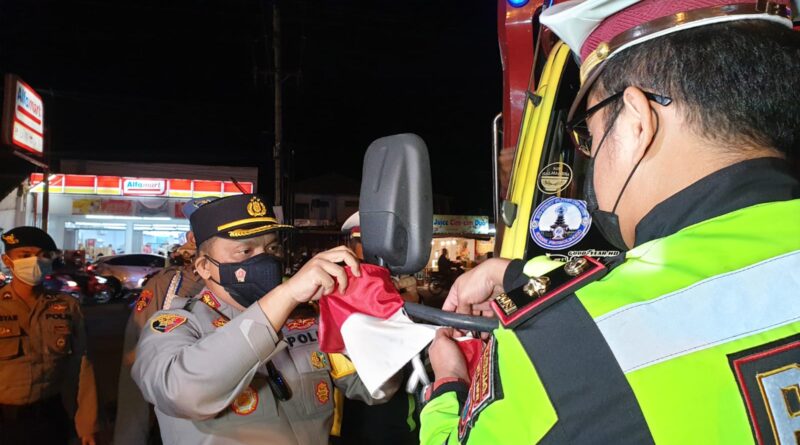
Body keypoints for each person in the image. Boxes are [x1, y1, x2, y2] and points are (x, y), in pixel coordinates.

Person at [421, 0, 800, 443]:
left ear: (638, 121)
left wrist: (448, 382)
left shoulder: (553, 349)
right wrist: (514, 274)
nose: (594, 161)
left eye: (591, 137)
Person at [132, 194, 399, 444]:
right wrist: (287, 294)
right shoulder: (175, 327)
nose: (266, 261)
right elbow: (182, 392)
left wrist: (371, 316)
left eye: (272, 248)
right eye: (245, 252)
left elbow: (375, 387)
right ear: (204, 266)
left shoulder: (306, 321)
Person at [114, 198, 214, 444]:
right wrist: (130, 436)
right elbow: (135, 363)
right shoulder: (167, 285)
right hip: (175, 421)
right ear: (192, 239)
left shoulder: (257, 287)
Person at [0, 226, 99, 444]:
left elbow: (83, 366)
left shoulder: (67, 306)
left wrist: (87, 426)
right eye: (24, 256)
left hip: (49, 418)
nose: (34, 262)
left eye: (42, 256)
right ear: (7, 261)